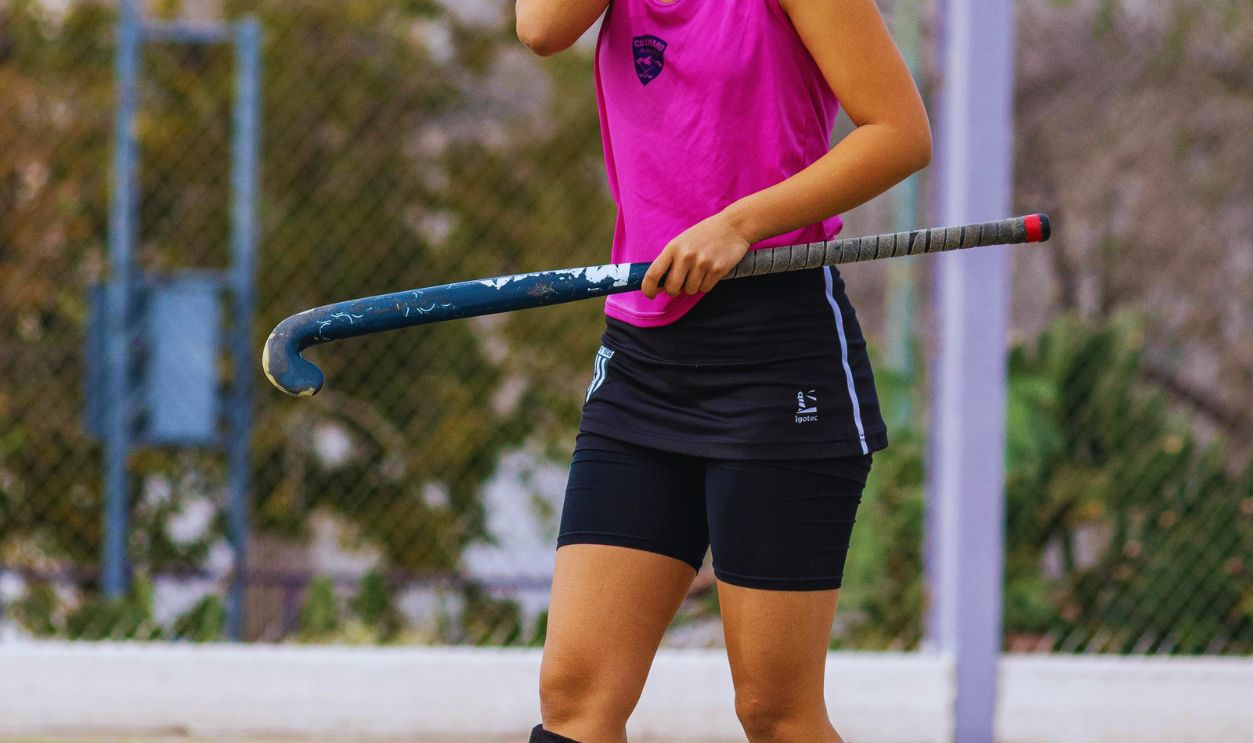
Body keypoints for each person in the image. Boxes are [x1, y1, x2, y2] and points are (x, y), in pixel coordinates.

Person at [515, 1, 931, 741]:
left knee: (775, 711)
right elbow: (541, 28)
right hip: (642, 356)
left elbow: (898, 134)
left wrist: (740, 222)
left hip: (776, 356)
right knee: (575, 696)